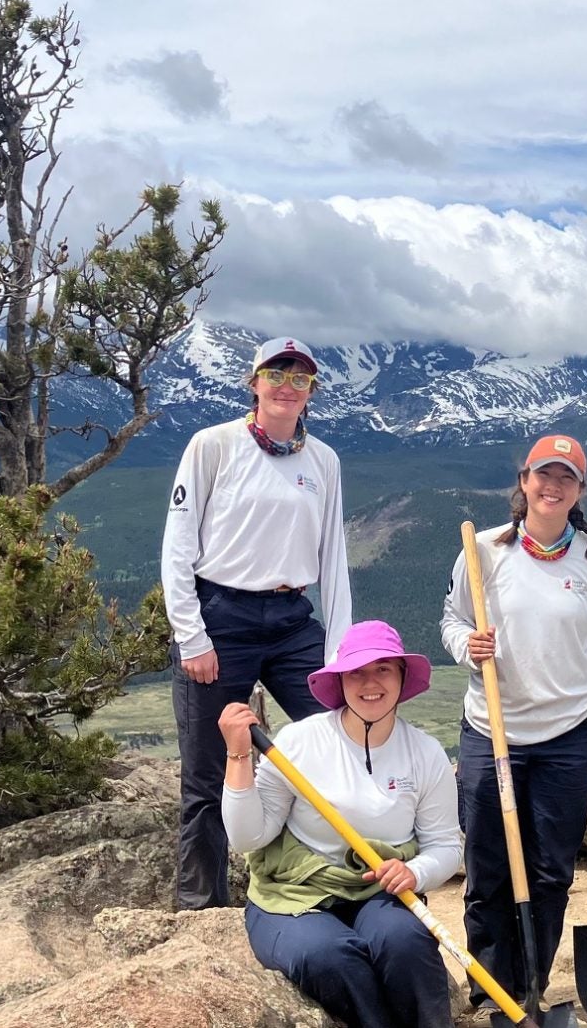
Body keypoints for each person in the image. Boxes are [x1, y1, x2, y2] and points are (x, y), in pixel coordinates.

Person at [162, 335, 353, 911]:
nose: (288, 385)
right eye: (278, 373)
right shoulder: (212, 446)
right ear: (254, 382)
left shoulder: (323, 461)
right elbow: (177, 545)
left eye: (301, 378)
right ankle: (202, 908)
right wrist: (191, 636)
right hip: (221, 617)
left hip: (294, 619)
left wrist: (339, 654)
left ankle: (324, 883)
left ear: (311, 392)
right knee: (207, 770)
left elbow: (333, 559)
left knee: (340, 738)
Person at [441, 433, 587, 1018]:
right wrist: (466, 646)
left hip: (570, 732)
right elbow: (452, 619)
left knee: (550, 870)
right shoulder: (485, 551)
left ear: (579, 492)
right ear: (524, 482)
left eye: (566, 478)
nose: (553, 486)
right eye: (543, 475)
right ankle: (491, 990)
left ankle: (533, 986)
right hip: (492, 729)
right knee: (489, 865)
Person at [221, 620, 457, 1028]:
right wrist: (238, 757)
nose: (370, 682)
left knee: (405, 944)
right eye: (357, 671)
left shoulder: (425, 753)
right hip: (293, 894)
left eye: (383, 668)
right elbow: (248, 836)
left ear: (403, 676)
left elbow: (446, 847)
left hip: (380, 893)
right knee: (327, 956)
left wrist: (414, 871)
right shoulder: (299, 743)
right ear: (340, 681)